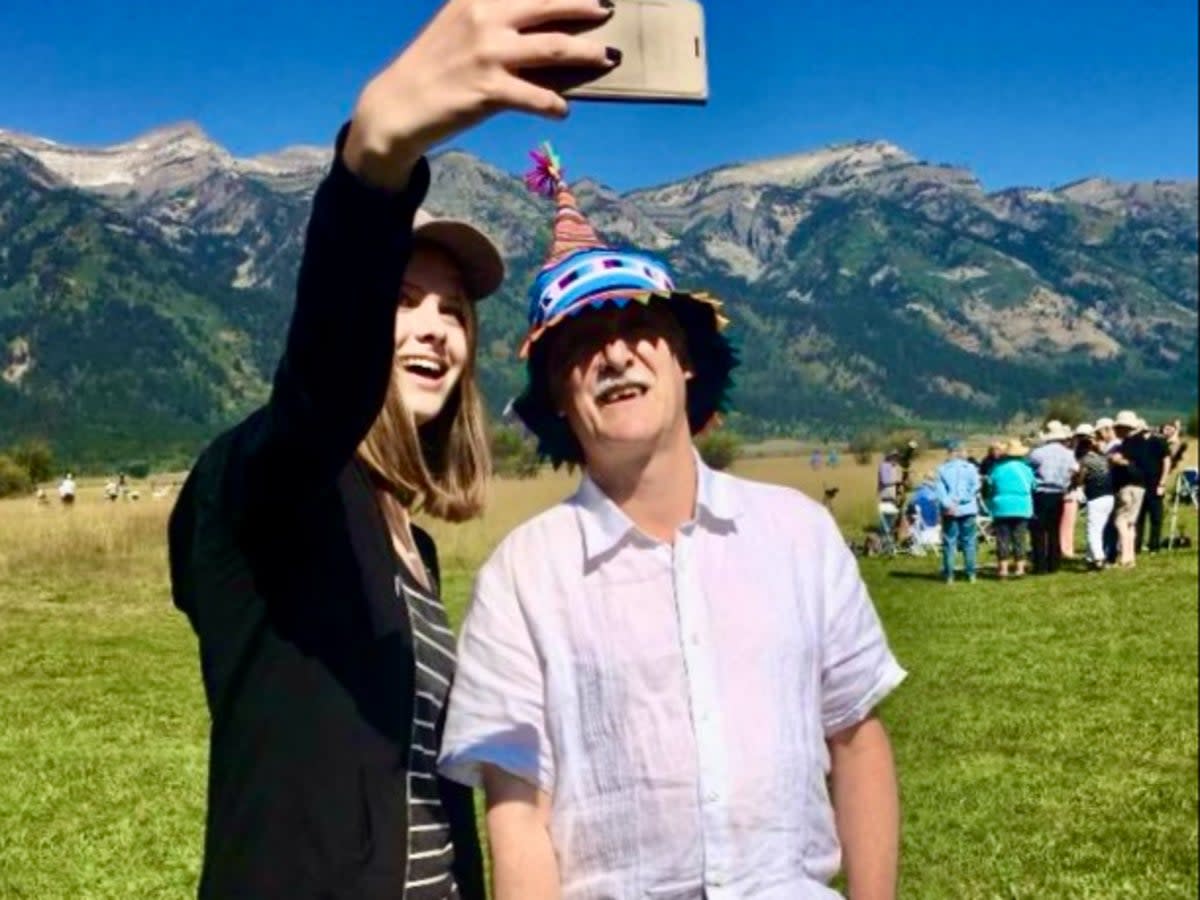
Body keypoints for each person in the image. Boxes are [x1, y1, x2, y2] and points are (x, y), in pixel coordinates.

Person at [167, 3, 617, 896]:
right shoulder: (270, 489)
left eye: (453, 311)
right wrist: (374, 160)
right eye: (403, 298)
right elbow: (320, 392)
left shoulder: (411, 540)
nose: (435, 329)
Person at [439, 148, 906, 900]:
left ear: (685, 359)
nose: (614, 354)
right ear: (558, 395)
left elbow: (855, 739)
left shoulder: (798, 536)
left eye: (637, 328)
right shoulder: (524, 576)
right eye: (580, 346)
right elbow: (519, 817)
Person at [1027, 421, 1078, 574]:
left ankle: (1040, 564)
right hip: (1058, 493)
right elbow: (1075, 470)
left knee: (1038, 530)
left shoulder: (1038, 453)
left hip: (1041, 492)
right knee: (1054, 529)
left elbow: (1029, 469)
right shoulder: (1069, 454)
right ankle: (1054, 563)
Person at [985, 439, 1035, 578]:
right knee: (1020, 538)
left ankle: (1003, 569)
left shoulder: (996, 469)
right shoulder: (1026, 469)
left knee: (1002, 538)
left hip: (1001, 507)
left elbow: (989, 486)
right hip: (1022, 506)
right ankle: (1019, 568)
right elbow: (1033, 486)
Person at [934, 441, 981, 583]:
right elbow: (975, 487)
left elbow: (940, 492)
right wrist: (963, 499)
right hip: (968, 509)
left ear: (950, 452)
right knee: (969, 541)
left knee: (949, 542)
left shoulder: (942, 470)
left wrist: (949, 503)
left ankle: (949, 575)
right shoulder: (971, 468)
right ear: (962, 452)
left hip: (950, 510)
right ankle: (971, 573)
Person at [1074, 429, 1115, 571]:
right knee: (1100, 527)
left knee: (1092, 530)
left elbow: (1081, 476)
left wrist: (1078, 485)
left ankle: (1098, 558)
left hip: (1096, 497)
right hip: (1109, 496)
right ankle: (1090, 558)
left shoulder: (1085, 460)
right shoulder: (1101, 458)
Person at [1133, 419, 1172, 554]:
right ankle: (1136, 546)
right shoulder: (1134, 443)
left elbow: (1166, 461)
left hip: (1155, 483)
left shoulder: (1159, 442)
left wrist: (1162, 482)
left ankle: (1154, 546)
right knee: (1138, 517)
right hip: (1138, 484)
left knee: (1156, 516)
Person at [1060, 426, 1090, 559]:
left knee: (1064, 522)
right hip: (1070, 491)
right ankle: (1066, 549)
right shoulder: (1072, 456)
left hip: (1063, 491)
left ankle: (1063, 547)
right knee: (1068, 522)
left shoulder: (1067, 454)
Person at [878, 449, 904, 549]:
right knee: (886, 521)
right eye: (895, 457)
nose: (897, 460)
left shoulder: (893, 467)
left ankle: (887, 541)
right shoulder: (884, 466)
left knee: (890, 520)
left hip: (891, 497)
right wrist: (897, 481)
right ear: (890, 457)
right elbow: (885, 481)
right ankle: (885, 542)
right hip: (886, 496)